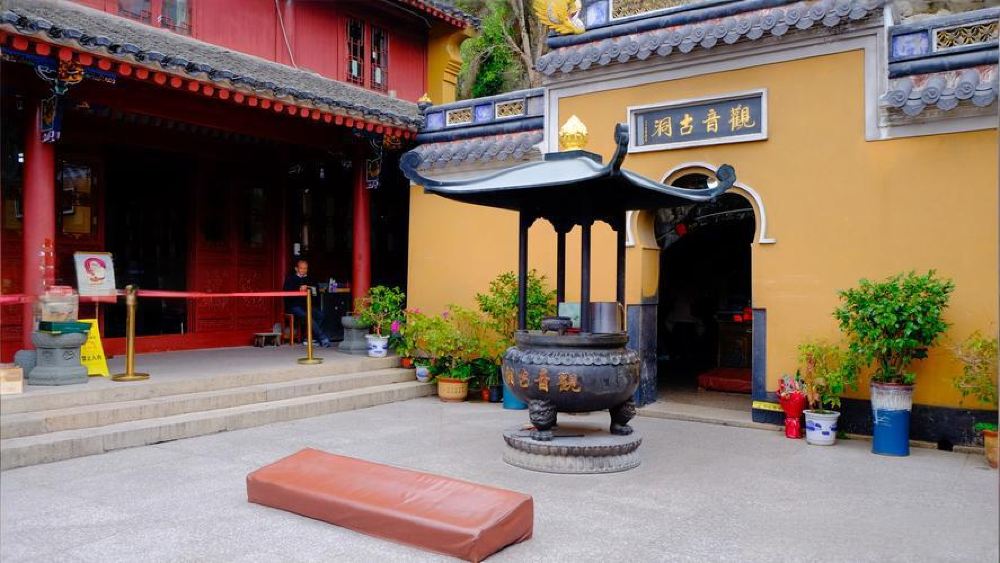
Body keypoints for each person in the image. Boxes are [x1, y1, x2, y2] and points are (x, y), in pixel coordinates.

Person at [283, 260, 330, 347]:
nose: (303, 270)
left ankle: (310, 338)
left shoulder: (310, 278)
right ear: (296, 268)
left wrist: (311, 289)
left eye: (305, 268)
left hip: (307, 305)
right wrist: (299, 289)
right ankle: (322, 338)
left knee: (320, 315)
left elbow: (316, 293)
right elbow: (286, 293)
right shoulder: (290, 278)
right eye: (301, 268)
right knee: (308, 317)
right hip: (294, 306)